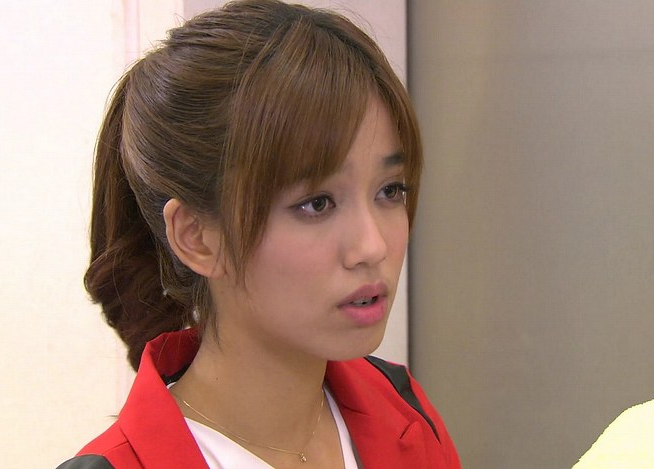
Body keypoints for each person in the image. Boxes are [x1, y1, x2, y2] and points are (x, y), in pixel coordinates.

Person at [56, 1, 460, 468]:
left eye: (390, 190)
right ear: (197, 237)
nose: (373, 247)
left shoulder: (404, 409)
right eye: (317, 203)